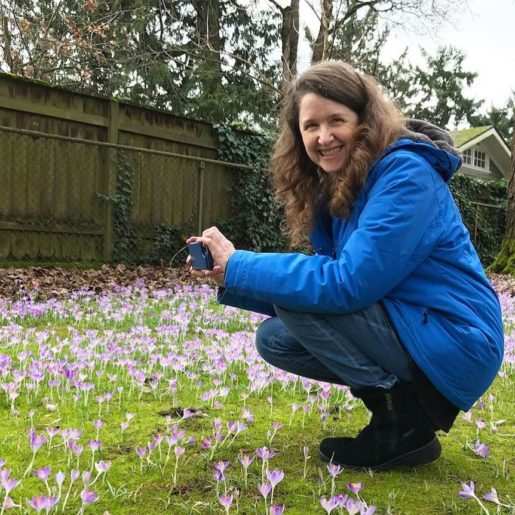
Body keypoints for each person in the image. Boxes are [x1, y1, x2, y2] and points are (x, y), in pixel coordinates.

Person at [187, 60, 504, 471]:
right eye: (310, 126)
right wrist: (231, 276)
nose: (324, 136)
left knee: (300, 301)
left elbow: (348, 284)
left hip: (458, 337)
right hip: (414, 321)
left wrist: (240, 266)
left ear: (365, 120)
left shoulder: (406, 174)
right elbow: (334, 279)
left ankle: (404, 423)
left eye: (337, 120)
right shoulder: (340, 182)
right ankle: (398, 412)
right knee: (275, 338)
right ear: (297, 135)